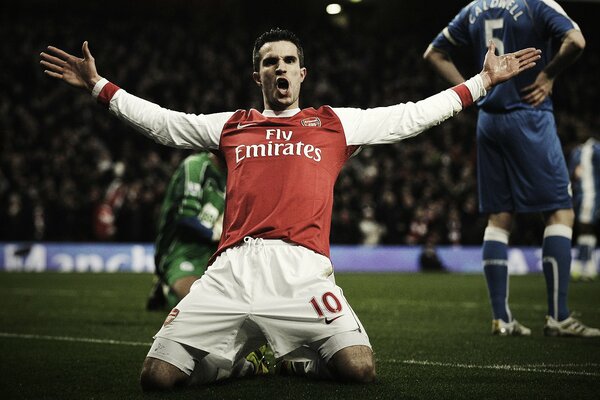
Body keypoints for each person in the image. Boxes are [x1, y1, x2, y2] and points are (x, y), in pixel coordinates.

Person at [40, 28, 540, 389]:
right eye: (269, 62)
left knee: (359, 368)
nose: (279, 68)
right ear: (257, 74)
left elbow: (411, 117)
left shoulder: (333, 124)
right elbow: (166, 124)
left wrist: (482, 82)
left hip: (304, 272)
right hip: (232, 269)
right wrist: (100, 87)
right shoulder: (233, 125)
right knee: (156, 378)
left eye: (288, 61)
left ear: (302, 73)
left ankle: (293, 360)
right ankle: (243, 364)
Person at [423, 0, 599, 337]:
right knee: (560, 212)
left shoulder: (474, 8)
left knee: (499, 218)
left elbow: (433, 53)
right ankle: (559, 317)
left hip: (488, 120)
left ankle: (502, 319)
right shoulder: (537, 4)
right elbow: (576, 41)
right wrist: (548, 74)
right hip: (528, 114)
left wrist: (473, 92)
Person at [146, 152, 226, 311]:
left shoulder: (240, 172)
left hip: (216, 254)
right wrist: (215, 234)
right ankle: (166, 287)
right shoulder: (195, 165)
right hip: (182, 250)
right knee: (203, 307)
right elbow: (186, 218)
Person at [569, 121, 600, 281]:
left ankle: (584, 263)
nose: (580, 132)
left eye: (583, 129)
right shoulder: (576, 152)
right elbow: (571, 174)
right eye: (578, 129)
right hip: (580, 196)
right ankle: (586, 263)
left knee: (586, 227)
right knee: (583, 228)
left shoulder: (596, 149)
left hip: (592, 194)